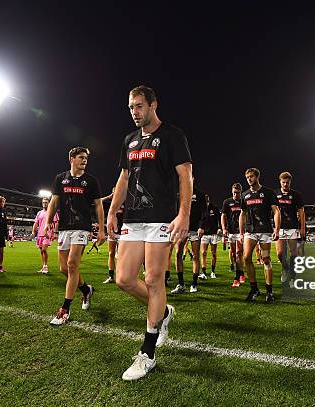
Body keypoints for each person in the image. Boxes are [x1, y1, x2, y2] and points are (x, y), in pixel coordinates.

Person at [107, 85, 192, 381]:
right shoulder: (129, 140)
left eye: (140, 106)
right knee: (124, 279)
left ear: (154, 105)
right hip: (134, 217)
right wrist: (112, 210)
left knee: (154, 279)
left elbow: (185, 175)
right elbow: (124, 177)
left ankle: (148, 352)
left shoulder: (172, 135)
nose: (135, 112)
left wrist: (184, 214)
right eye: (131, 107)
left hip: (161, 218)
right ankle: (164, 312)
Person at [46, 146, 104, 326]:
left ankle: (65, 309)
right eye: (81, 157)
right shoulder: (60, 178)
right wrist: (48, 221)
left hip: (82, 227)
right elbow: (54, 201)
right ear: (71, 159)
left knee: (72, 265)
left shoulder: (91, 181)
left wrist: (101, 229)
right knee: (64, 269)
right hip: (64, 227)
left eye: (86, 158)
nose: (84, 160)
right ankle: (86, 290)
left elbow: (99, 206)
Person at [239, 168, 280, 303]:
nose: (249, 179)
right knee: (246, 257)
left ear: (257, 177)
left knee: (266, 259)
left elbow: (276, 211)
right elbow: (242, 214)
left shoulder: (268, 193)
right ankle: (254, 288)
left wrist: (277, 229)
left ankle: (269, 291)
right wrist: (240, 232)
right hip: (250, 231)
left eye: (251, 176)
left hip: (265, 230)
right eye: (247, 177)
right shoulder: (244, 195)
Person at [172, 184, 206, 293]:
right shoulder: (178, 193)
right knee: (178, 254)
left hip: (195, 228)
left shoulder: (200, 194)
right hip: (182, 228)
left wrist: (201, 226)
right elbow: (175, 210)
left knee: (196, 256)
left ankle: (194, 284)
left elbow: (204, 212)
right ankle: (180, 284)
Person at [275, 172, 305, 285]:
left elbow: (301, 212)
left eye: (287, 182)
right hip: (279, 227)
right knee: (279, 253)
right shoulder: (275, 193)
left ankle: (293, 276)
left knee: (293, 253)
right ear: (280, 182)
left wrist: (302, 228)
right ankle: (285, 269)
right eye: (283, 182)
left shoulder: (296, 195)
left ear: (290, 182)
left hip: (292, 227)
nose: (285, 184)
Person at [222, 183, 245, 287]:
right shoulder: (227, 202)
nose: (236, 195)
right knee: (233, 254)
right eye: (234, 193)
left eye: (238, 193)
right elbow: (223, 215)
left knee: (238, 253)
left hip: (241, 231)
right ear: (232, 192)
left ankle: (237, 278)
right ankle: (241, 272)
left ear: (241, 192)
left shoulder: (244, 201)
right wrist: (223, 228)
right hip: (231, 231)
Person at [101, 190, 124, 283]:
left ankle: (120, 275)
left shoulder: (126, 202)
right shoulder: (110, 203)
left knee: (120, 256)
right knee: (111, 254)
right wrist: (108, 196)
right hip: (111, 232)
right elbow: (98, 201)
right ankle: (111, 276)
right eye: (114, 192)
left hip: (123, 233)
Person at [32, 197, 59, 274]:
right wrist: (33, 232)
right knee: (41, 251)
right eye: (43, 202)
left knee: (44, 249)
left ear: (49, 203)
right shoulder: (39, 213)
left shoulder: (53, 212)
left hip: (48, 234)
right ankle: (43, 266)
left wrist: (54, 232)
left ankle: (46, 267)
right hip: (40, 234)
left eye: (46, 202)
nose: (44, 203)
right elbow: (36, 223)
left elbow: (56, 222)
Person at [200, 195, 221, 279]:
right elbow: (199, 220)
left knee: (213, 253)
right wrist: (199, 228)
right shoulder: (201, 209)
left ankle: (213, 271)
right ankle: (203, 272)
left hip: (213, 234)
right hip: (204, 234)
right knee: (203, 253)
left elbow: (219, 219)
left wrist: (219, 228)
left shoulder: (214, 208)